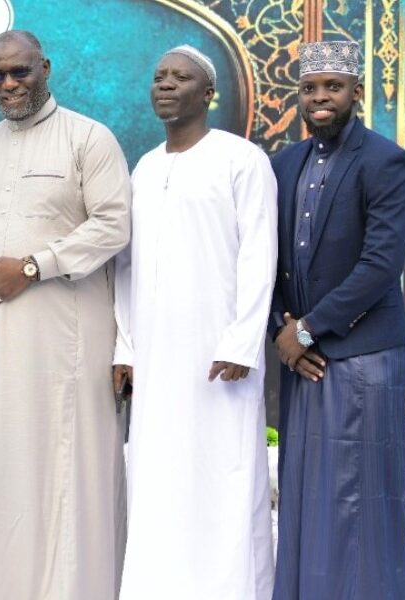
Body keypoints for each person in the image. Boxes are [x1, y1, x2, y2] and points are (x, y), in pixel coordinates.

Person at [0, 30, 131, 599]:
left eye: (19, 72)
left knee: (71, 472)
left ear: (46, 68)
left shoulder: (89, 138)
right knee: (6, 473)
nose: (7, 84)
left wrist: (35, 266)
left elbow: (112, 226)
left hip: (68, 345)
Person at [113, 46, 277, 600]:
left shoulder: (242, 159)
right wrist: (126, 347)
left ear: (208, 94)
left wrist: (241, 341)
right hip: (157, 357)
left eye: (181, 77)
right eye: (159, 76)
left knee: (224, 478)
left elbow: (259, 255)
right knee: (158, 477)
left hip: (219, 355)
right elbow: (127, 266)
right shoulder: (145, 165)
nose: (165, 85)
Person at [270, 40, 405, 600]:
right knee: (308, 495)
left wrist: (306, 329)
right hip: (302, 359)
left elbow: (381, 264)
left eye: (332, 86)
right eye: (310, 88)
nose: (320, 98)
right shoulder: (283, 163)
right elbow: (266, 262)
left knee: (356, 500)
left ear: (356, 91)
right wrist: (283, 334)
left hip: (362, 357)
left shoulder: (386, 161)